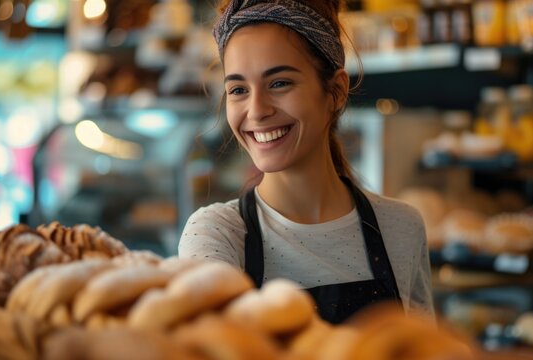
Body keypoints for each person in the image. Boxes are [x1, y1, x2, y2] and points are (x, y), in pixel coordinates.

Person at [179, 0, 434, 323]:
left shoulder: (401, 227)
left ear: (337, 90)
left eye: (279, 83)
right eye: (239, 89)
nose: (256, 110)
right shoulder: (218, 235)